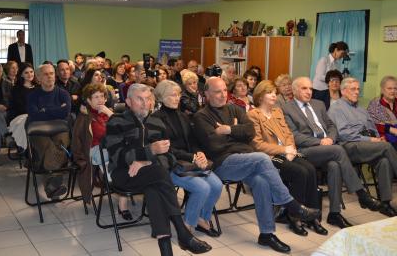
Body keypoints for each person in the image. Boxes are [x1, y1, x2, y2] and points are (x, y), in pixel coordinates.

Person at [193, 77, 319, 254]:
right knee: (263, 158)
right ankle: (292, 205)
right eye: (217, 92)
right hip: (223, 163)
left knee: (262, 182)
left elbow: (250, 131)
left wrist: (229, 130)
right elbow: (215, 146)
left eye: (224, 91)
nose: (222, 95)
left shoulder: (233, 108)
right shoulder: (201, 117)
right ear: (206, 94)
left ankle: (266, 234)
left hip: (246, 158)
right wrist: (238, 132)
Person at [105, 84, 212, 255]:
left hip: (151, 173)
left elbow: (169, 156)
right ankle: (183, 233)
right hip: (124, 174)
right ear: (128, 101)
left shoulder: (156, 122)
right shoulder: (116, 121)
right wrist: (150, 152)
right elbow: (117, 156)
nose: (145, 103)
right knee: (159, 175)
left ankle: (166, 248)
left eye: (148, 99)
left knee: (154, 186)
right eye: (140, 99)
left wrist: (146, 162)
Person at [283, 77, 385, 228]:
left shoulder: (318, 104)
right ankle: (361, 194)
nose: (309, 92)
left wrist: (330, 138)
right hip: (306, 150)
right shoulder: (287, 108)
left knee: (334, 166)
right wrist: (320, 142)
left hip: (328, 148)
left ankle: (334, 214)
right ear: (295, 90)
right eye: (304, 88)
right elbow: (295, 136)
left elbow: (331, 126)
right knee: (338, 150)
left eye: (311, 88)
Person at [248, 80, 324, 236]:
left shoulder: (277, 111)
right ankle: (294, 216)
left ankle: (313, 218)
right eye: (270, 93)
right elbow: (257, 144)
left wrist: (290, 149)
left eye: (275, 93)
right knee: (299, 172)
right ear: (260, 96)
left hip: (287, 152)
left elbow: (288, 133)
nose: (274, 96)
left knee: (310, 169)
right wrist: (283, 149)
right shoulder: (253, 115)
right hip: (270, 156)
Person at [153, 80, 222, 237]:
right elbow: (166, 149)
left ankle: (202, 218)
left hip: (190, 162)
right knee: (202, 188)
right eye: (172, 95)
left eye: (178, 94)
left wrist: (199, 153)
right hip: (170, 164)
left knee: (217, 185)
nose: (177, 98)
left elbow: (193, 141)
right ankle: (188, 224)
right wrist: (192, 157)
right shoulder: (156, 118)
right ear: (161, 97)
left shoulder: (183, 116)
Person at [328, 77, 397, 217]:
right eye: (353, 89)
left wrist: (378, 137)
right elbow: (344, 134)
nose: (357, 92)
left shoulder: (361, 109)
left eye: (358, 89)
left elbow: (373, 128)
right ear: (343, 91)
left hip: (367, 145)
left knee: (384, 161)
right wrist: (371, 139)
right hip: (349, 147)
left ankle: (385, 203)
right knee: (387, 147)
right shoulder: (337, 108)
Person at [71, 83, 131, 219]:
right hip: (95, 151)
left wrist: (110, 113)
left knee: (123, 159)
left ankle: (122, 200)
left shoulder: (109, 113)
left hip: (114, 152)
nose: (99, 100)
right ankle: (122, 193)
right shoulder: (85, 117)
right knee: (120, 159)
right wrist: (80, 160)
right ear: (88, 100)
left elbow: (126, 130)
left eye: (102, 96)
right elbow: (76, 142)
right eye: (95, 97)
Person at [27, 64, 72, 199]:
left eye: (52, 73)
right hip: (38, 129)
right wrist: (56, 110)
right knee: (48, 147)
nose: (50, 76)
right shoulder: (32, 95)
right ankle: (54, 183)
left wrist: (45, 111)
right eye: (46, 74)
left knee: (60, 147)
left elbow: (65, 112)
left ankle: (50, 184)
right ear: (39, 78)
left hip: (60, 127)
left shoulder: (63, 93)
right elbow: (34, 115)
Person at [8, 63, 37, 152]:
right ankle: (27, 150)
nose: (30, 74)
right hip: (20, 116)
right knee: (27, 122)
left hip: (37, 115)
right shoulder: (16, 89)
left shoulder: (39, 88)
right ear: (21, 74)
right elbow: (19, 107)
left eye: (31, 72)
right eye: (26, 73)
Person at [367, 76, 397, 145]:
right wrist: (391, 129)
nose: (393, 91)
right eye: (389, 88)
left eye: (395, 88)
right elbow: (371, 125)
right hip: (383, 139)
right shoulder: (375, 104)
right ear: (382, 90)